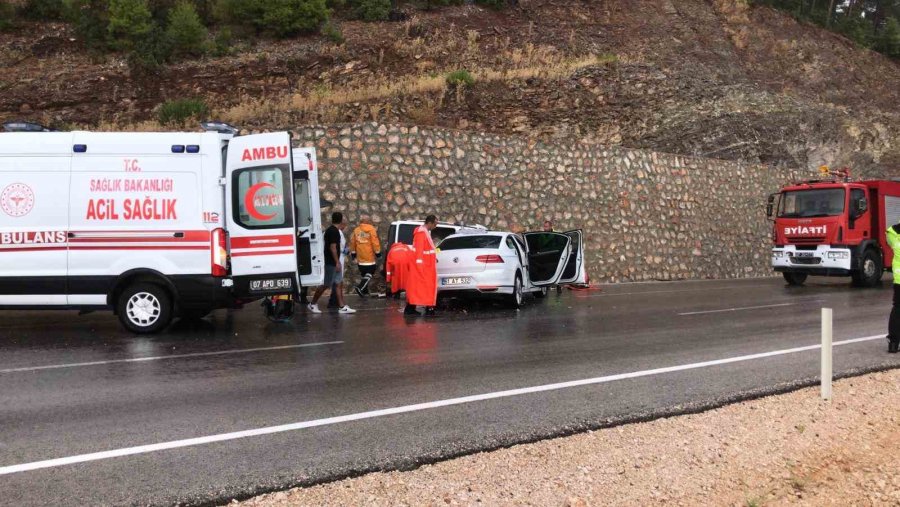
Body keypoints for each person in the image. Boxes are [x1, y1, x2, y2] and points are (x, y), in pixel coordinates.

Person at [308, 212, 356, 314]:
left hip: (334, 262)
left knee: (338, 283)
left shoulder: (332, 230)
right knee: (326, 284)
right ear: (341, 220)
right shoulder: (334, 232)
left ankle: (342, 306)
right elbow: (333, 247)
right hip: (331, 262)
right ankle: (312, 304)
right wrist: (337, 262)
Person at [405, 215, 439, 316]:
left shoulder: (423, 232)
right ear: (430, 223)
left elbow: (425, 250)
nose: (435, 226)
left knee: (419, 288)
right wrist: (420, 266)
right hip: (424, 266)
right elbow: (419, 250)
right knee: (424, 287)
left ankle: (411, 308)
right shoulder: (421, 233)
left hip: (425, 265)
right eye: (435, 224)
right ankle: (427, 309)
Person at [350, 215, 382, 297]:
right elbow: (375, 242)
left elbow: (353, 243)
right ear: (367, 221)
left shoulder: (356, 230)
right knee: (371, 271)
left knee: (364, 274)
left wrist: (353, 254)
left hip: (360, 258)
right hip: (369, 256)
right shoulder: (371, 229)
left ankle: (365, 291)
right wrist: (378, 253)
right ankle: (360, 287)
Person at [886, 223, 900, 353]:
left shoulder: (892, 233)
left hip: (899, 279)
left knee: (897, 310)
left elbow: (889, 243)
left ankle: (894, 344)